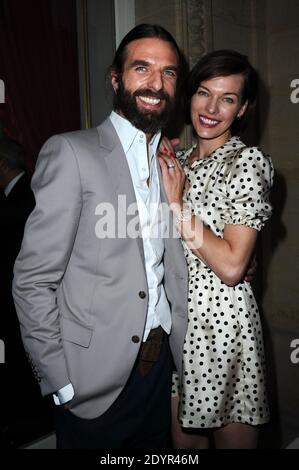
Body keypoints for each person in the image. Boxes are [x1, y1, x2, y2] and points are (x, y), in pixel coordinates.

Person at [12, 24, 189, 449]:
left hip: (162, 367)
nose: (156, 83)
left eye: (168, 73)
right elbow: (33, 280)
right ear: (115, 79)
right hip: (90, 382)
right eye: (142, 68)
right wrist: (59, 380)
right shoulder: (72, 152)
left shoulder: (170, 161)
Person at [158, 49, 274, 449]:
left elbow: (230, 266)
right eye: (203, 93)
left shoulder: (246, 161)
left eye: (227, 98)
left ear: (242, 108)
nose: (211, 108)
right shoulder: (180, 160)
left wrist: (177, 205)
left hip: (223, 330)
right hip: (178, 327)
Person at [0, 135, 51, 447]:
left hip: (21, 301)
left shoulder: (23, 200)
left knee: (23, 364)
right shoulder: (17, 197)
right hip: (18, 300)